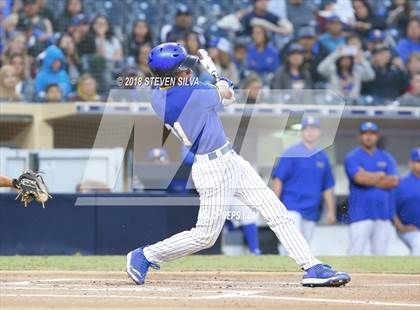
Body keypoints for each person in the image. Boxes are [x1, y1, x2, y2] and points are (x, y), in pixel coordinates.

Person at [126, 42, 351, 287]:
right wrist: (217, 75)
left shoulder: (160, 95)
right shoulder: (189, 95)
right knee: (205, 237)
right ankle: (145, 255)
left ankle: (311, 266)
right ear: (170, 75)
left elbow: (221, 95)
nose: (188, 72)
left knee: (275, 210)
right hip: (212, 168)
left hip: (230, 159)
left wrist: (217, 82)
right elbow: (228, 94)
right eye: (183, 69)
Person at [272, 116, 336, 244]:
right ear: (301, 132)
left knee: (305, 247)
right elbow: (278, 180)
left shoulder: (323, 156)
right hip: (291, 205)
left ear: (319, 132)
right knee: (292, 244)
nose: (310, 132)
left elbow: (327, 187)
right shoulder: (290, 152)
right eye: (306, 128)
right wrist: (274, 207)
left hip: (312, 209)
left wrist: (331, 212)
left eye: (313, 128)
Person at [344, 121, 399, 255]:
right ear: (359, 137)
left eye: (372, 134)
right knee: (355, 253)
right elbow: (359, 178)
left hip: (382, 214)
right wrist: (380, 175)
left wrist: (368, 177)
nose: (369, 137)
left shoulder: (386, 157)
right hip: (360, 214)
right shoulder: (352, 156)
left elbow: (393, 181)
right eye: (365, 134)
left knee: (380, 255)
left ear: (377, 136)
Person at [393, 148, 420, 256]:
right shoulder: (401, 184)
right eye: (418, 161)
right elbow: (390, 209)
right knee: (419, 243)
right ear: (411, 163)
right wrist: (401, 227)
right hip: (410, 230)